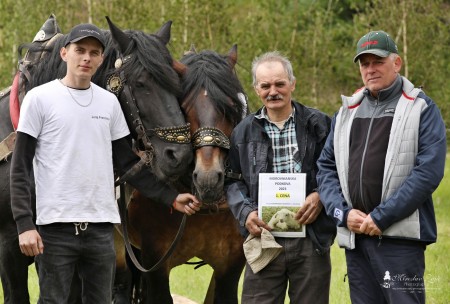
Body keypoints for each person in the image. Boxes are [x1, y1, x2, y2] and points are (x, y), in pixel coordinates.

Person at [10, 23, 201, 303]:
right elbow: (21, 167)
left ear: (102, 60)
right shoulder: (40, 99)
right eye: (80, 51)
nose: (86, 58)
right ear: (64, 53)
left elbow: (127, 163)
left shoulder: (109, 103)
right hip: (55, 228)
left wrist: (171, 197)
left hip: (100, 229)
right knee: (53, 300)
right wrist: (25, 224)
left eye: (94, 52)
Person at [316, 30, 446, 303]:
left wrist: (381, 217)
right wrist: (342, 213)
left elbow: (428, 172)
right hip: (356, 238)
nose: (371, 69)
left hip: (399, 241)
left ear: (396, 63)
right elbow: (326, 167)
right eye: (365, 63)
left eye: (378, 61)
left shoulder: (421, 108)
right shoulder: (346, 112)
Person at [226, 51, 336, 303]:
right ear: (256, 89)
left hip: (311, 238)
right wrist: (246, 213)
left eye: (279, 84)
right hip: (264, 240)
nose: (272, 91)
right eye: (265, 85)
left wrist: (320, 195)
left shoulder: (319, 124)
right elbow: (232, 180)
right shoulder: (242, 132)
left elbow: (337, 170)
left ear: (292, 84)